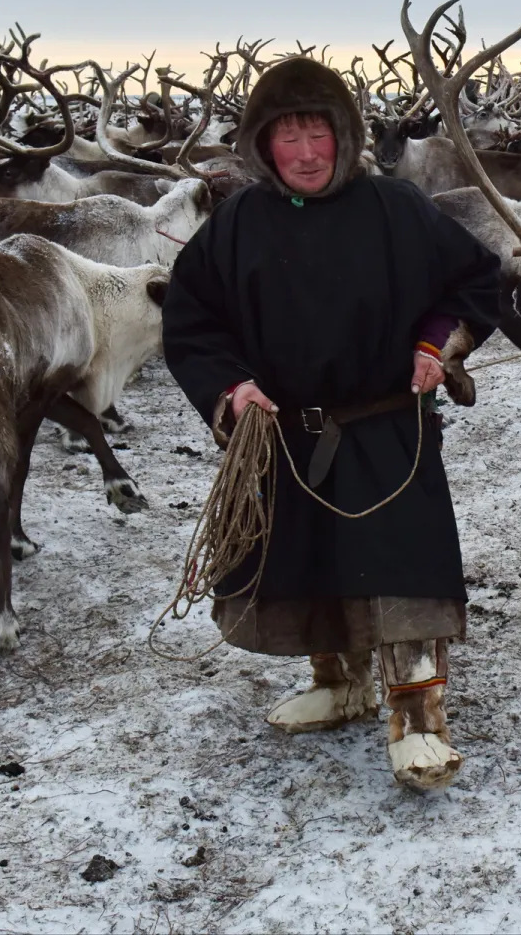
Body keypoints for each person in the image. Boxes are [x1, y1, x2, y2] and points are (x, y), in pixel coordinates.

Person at [161, 57, 501, 791]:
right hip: (286, 435)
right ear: (262, 146)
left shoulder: (395, 208)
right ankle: (341, 683)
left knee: (402, 570)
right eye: (289, 139)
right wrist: (232, 387)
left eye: (319, 134)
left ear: (345, 137)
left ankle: (419, 722)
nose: (307, 154)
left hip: (385, 429)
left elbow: (474, 280)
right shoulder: (239, 224)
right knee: (309, 562)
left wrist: (433, 346)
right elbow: (192, 319)